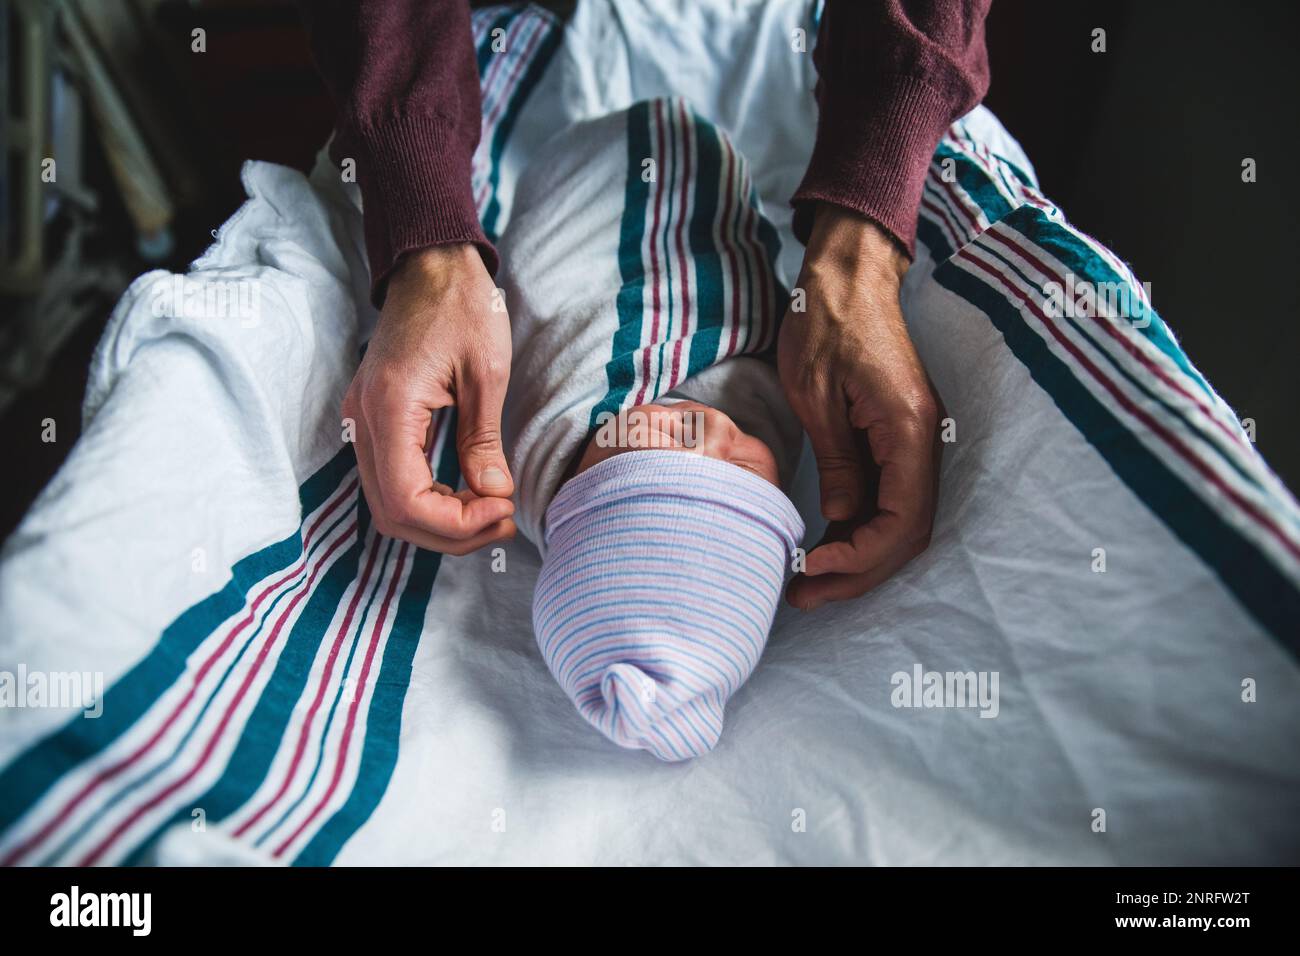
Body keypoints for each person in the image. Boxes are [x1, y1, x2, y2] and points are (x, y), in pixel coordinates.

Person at [300, 0, 991, 609]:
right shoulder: (778, 424)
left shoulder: (534, 447)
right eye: (742, 477)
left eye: (659, 474)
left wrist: (427, 248)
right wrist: (860, 249)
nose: (705, 437)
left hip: (579, 184)